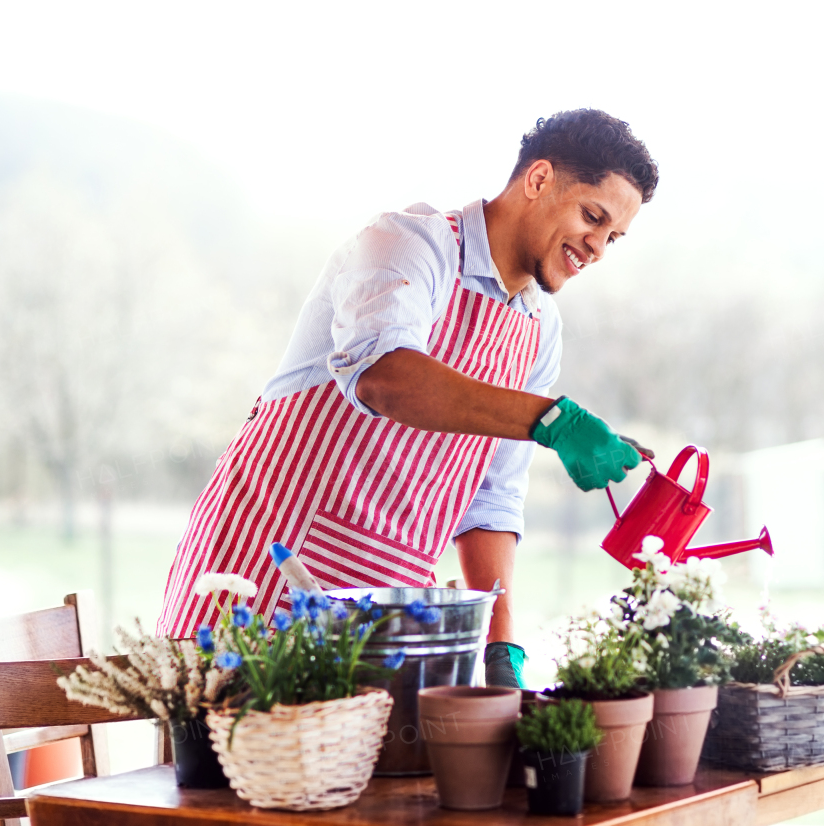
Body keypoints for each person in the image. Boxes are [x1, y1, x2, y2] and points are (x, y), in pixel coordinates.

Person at [158, 109, 658, 687]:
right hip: (258, 585)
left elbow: (490, 499)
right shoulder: (407, 245)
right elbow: (385, 376)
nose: (596, 247)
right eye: (592, 217)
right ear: (539, 179)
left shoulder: (539, 329)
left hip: (383, 619)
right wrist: (549, 421)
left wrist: (501, 645)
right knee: (226, 772)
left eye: (613, 237)